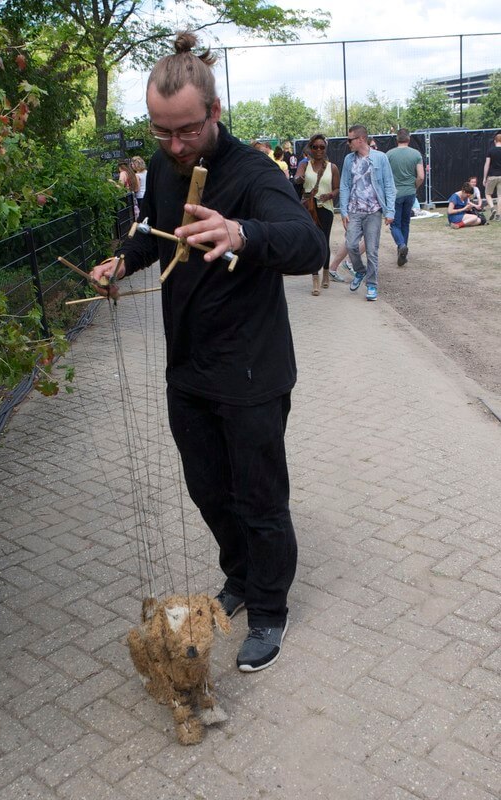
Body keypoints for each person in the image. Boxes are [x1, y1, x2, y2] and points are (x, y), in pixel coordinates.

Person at [91, 32, 327, 673]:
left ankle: (270, 609)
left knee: (259, 498)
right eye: (162, 132)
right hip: (188, 367)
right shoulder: (166, 167)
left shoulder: (253, 174)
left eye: (187, 132)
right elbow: (155, 234)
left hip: (251, 371)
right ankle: (242, 576)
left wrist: (241, 232)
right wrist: (124, 260)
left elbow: (309, 245)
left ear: (214, 112)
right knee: (208, 491)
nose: (174, 146)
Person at [339, 124, 396, 302]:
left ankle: (371, 284)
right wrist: (343, 210)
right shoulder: (349, 159)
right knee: (351, 245)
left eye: (350, 140)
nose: (348, 143)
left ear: (361, 139)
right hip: (354, 211)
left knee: (372, 250)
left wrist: (390, 210)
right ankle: (360, 271)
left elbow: (389, 185)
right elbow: (345, 185)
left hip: (373, 212)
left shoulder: (380, 158)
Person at [294, 133, 339, 295]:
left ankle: (326, 272)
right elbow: (297, 178)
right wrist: (300, 179)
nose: (319, 150)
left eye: (322, 147)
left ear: (326, 148)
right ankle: (315, 279)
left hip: (325, 208)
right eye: (315, 147)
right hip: (309, 208)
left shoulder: (332, 167)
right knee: (313, 242)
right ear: (310, 148)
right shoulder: (305, 165)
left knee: (324, 241)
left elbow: (336, 188)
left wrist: (330, 195)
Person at [386, 128, 424, 267]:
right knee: (405, 223)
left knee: (394, 224)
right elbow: (421, 176)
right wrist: (414, 187)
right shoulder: (416, 154)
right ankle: (403, 251)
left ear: (397, 139)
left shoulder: (389, 154)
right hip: (410, 193)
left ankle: (401, 245)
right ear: (409, 139)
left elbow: (385, 176)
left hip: (394, 194)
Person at [482, 132, 501, 221]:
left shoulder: (490, 150)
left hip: (492, 175)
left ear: (494, 141)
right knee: (500, 196)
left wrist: (484, 178)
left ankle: (492, 208)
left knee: (488, 194)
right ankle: (498, 215)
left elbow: (487, 164)